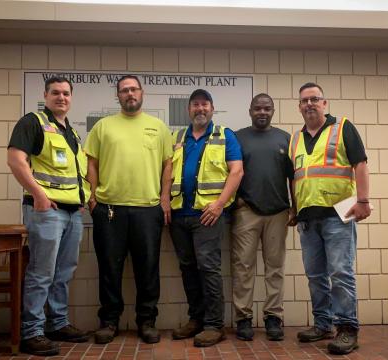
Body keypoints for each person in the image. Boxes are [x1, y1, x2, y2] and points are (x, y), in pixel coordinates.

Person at [84, 75, 173, 344]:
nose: (129, 94)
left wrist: (165, 199)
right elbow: (92, 163)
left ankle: (146, 321)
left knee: (148, 268)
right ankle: (109, 321)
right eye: (124, 90)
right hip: (109, 209)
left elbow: (168, 165)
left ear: (142, 93)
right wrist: (92, 197)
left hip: (148, 209)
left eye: (133, 89)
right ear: (118, 96)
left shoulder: (158, 127)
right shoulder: (103, 127)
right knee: (109, 269)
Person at [8, 76, 91, 356]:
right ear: (46, 95)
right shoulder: (32, 122)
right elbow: (15, 160)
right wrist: (40, 195)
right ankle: (31, 332)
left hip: (71, 213)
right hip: (46, 211)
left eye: (66, 93)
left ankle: (57, 323)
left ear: (71, 98)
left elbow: (74, 173)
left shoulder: (72, 133)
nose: (61, 97)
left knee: (63, 273)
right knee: (41, 272)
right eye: (55, 93)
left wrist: (81, 199)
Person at [290, 82, 371, 355]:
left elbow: (360, 163)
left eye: (315, 99)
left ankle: (347, 328)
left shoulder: (343, 127)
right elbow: (296, 178)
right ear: (299, 106)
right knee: (315, 276)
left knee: (340, 273)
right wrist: (294, 209)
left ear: (324, 103)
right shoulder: (295, 139)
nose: (309, 104)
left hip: (339, 214)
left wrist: (363, 201)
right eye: (304, 100)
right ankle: (323, 324)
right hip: (307, 219)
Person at [169, 89, 243, 347]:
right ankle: (196, 320)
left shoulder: (225, 135)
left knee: (208, 268)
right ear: (189, 109)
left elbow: (237, 171)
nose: (200, 109)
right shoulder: (177, 137)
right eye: (195, 105)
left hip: (208, 216)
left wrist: (220, 205)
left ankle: (214, 325)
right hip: (179, 215)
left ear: (212, 109)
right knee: (188, 268)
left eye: (205, 105)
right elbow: (166, 172)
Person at [231, 93, 295, 342]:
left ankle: (273, 318)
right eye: (257, 108)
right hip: (246, 212)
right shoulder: (238, 137)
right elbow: (230, 171)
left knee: (275, 268)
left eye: (267, 108)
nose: (262, 112)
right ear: (250, 111)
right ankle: (243, 318)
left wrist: (295, 208)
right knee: (243, 267)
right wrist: (234, 201)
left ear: (273, 110)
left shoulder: (285, 139)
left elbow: (294, 178)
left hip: (278, 212)